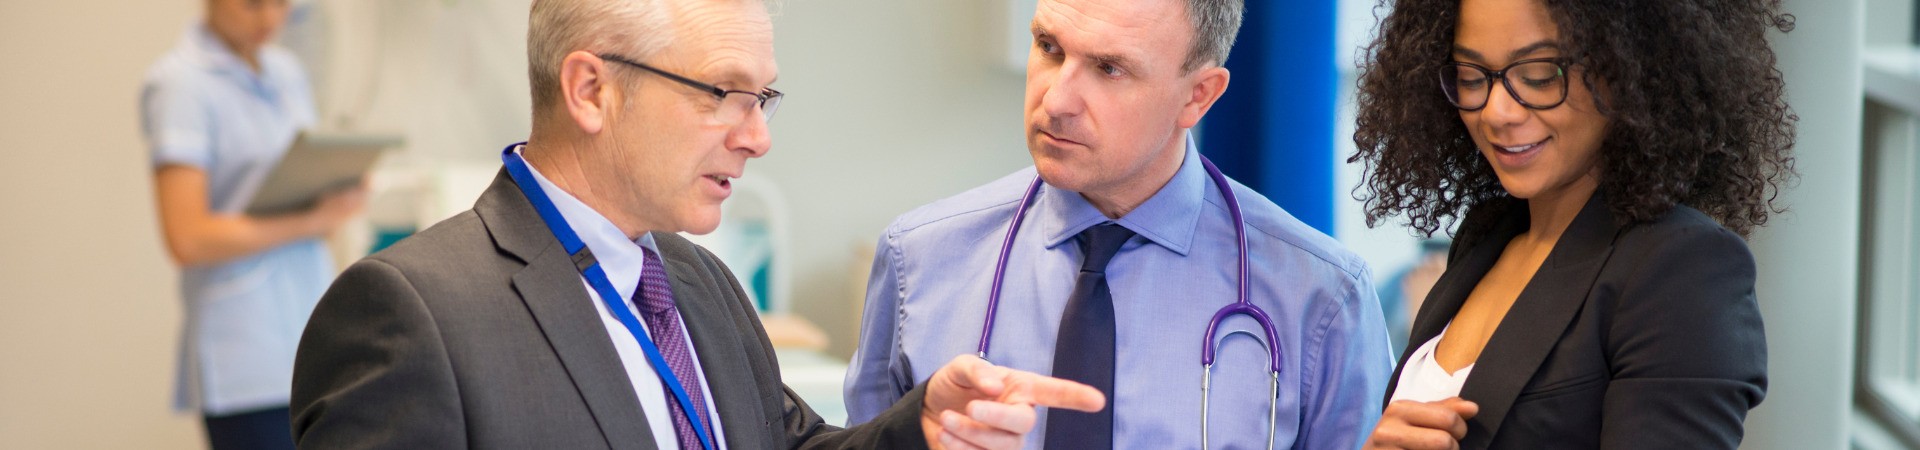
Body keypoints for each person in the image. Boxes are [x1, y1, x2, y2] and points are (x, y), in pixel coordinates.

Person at [289, 0, 1104, 448]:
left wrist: (918, 430)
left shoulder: (693, 280)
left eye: (763, 99)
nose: (757, 137)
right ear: (590, 91)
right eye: (723, 93)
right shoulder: (412, 315)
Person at [844, 0, 1393, 448]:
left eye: (1109, 69)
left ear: (1198, 96)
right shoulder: (918, 260)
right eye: (1049, 47)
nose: (1057, 100)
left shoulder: (1324, 299)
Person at [1348, 0, 1795, 447]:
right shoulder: (1488, 235)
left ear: (1629, 67)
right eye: (1471, 77)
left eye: (1540, 75)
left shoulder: (1682, 267)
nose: (1497, 112)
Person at [140, 0, 367, 448]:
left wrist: (335, 189)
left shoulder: (287, 73)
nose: (270, 20)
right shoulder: (180, 84)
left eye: (281, 3)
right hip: (244, 353)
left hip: (311, 336)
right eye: (252, 4)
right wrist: (310, 221)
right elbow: (187, 237)